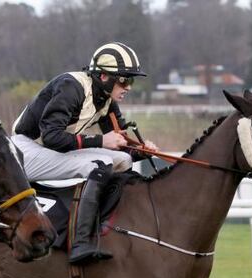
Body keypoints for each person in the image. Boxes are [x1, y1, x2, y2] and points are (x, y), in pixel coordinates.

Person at [11, 42, 156, 264]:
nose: (128, 87)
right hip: (24, 151)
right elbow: (51, 137)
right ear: (104, 76)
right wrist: (101, 140)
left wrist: (140, 151)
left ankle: (111, 224)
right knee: (100, 164)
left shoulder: (106, 98)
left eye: (131, 81)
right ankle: (80, 243)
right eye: (124, 80)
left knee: (124, 159)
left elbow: (120, 142)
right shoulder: (71, 87)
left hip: (50, 149)